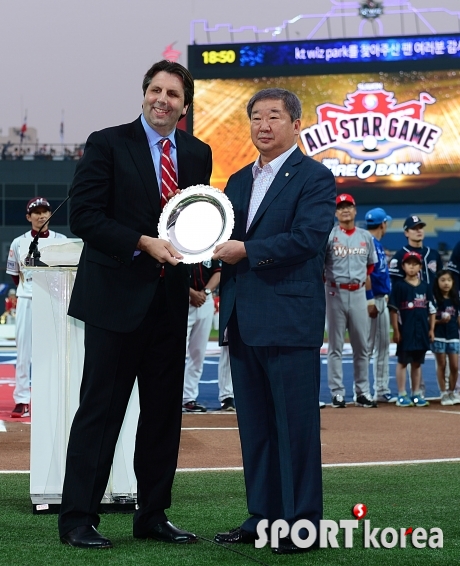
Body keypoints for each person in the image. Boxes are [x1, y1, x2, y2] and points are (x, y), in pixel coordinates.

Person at [57, 60, 212, 549]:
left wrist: (196, 275)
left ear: (185, 106)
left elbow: (193, 225)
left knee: (164, 414)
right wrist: (141, 242)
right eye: (155, 90)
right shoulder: (107, 142)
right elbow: (83, 216)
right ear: (144, 94)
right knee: (100, 413)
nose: (162, 99)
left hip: (170, 302)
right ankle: (78, 518)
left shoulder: (197, 153)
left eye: (172, 94)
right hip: (115, 302)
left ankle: (153, 515)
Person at [212, 88, 336, 555]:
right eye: (256, 117)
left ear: (295, 124)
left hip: (288, 319)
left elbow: (307, 239)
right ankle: (262, 517)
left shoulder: (315, 177)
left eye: (273, 117)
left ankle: (302, 524)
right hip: (243, 320)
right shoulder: (238, 180)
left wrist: (249, 251)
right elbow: (222, 238)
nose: (263, 125)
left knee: (295, 429)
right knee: (256, 428)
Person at [6, 197, 66, 418]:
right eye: (37, 212)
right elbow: (15, 277)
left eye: (45, 211)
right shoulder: (17, 242)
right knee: (23, 352)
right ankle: (22, 399)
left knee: (56, 352)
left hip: (54, 301)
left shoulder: (62, 240)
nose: (42, 215)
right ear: (28, 217)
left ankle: (53, 396)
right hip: (27, 299)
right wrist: (31, 289)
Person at [325, 193, 377, 408]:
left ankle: (362, 391)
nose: (345, 210)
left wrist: (369, 296)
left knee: (361, 346)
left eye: (349, 206)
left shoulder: (365, 237)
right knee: (335, 346)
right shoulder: (329, 236)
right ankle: (337, 393)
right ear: (336, 212)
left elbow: (370, 267)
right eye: (341, 207)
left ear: (355, 210)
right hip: (334, 292)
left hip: (357, 293)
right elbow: (320, 267)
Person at [388, 252, 436, 407]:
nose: (412, 266)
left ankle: (416, 393)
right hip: (406, 331)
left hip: (421, 331)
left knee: (417, 363)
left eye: (415, 264)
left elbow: (431, 310)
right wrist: (396, 330)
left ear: (420, 267)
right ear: (403, 266)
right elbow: (393, 310)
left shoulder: (426, 287)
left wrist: (431, 329)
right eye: (409, 263)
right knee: (402, 362)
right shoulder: (399, 286)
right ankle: (402, 393)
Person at [364, 207, 396, 403]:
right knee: (369, 348)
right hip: (372, 299)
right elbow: (365, 273)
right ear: (383, 224)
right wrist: (369, 298)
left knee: (380, 346)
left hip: (380, 299)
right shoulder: (370, 243)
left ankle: (380, 390)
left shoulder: (373, 243)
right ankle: (366, 390)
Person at [183, 260, 221, 413]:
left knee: (197, 353)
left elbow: (218, 271)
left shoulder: (208, 245)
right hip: (182, 297)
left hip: (205, 300)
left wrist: (205, 293)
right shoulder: (177, 243)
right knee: (175, 353)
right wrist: (191, 293)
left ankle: (188, 398)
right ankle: (170, 398)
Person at [431, 270, 460, 405]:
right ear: (437, 282)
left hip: (454, 335)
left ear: (453, 282)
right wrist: (439, 321)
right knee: (441, 365)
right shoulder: (434, 299)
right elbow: (429, 319)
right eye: (442, 280)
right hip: (439, 335)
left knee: (454, 366)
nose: (446, 283)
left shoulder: (456, 299)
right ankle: (443, 393)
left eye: (449, 280)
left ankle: (452, 392)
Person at [389, 215, 443, 286]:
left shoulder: (434, 254)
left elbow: (441, 277)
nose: (418, 231)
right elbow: (396, 284)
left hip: (433, 296)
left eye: (420, 227)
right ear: (406, 233)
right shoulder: (399, 255)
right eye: (414, 228)